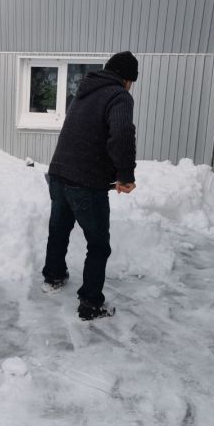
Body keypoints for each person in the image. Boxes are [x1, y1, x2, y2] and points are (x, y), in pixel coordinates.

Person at [41, 51, 138, 320]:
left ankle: (53, 276)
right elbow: (121, 135)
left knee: (59, 230)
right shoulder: (119, 96)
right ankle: (90, 303)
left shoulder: (83, 92)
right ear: (127, 79)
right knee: (98, 244)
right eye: (131, 81)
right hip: (86, 181)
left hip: (59, 173)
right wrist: (125, 176)